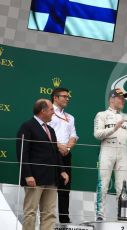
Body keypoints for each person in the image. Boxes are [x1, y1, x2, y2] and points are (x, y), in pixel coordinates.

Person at [16, 99, 69, 230]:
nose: (53, 113)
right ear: (42, 111)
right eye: (51, 110)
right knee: (30, 212)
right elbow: (22, 153)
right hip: (34, 178)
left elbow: (55, 153)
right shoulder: (27, 126)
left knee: (49, 214)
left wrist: (62, 170)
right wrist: (27, 175)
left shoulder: (50, 129)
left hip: (51, 178)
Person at [94, 88, 127, 221]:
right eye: (120, 98)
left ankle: (122, 215)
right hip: (107, 150)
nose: (123, 100)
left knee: (122, 186)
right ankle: (100, 215)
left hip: (123, 152)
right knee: (103, 184)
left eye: (124, 98)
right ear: (112, 99)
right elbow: (97, 134)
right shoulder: (101, 115)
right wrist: (114, 128)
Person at [49, 87, 78, 223]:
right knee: (49, 187)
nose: (67, 98)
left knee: (65, 188)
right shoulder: (47, 113)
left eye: (68, 97)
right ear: (55, 97)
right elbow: (45, 133)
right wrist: (58, 146)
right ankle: (47, 219)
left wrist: (66, 147)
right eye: (64, 96)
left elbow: (73, 135)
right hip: (51, 153)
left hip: (66, 154)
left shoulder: (70, 117)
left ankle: (64, 220)